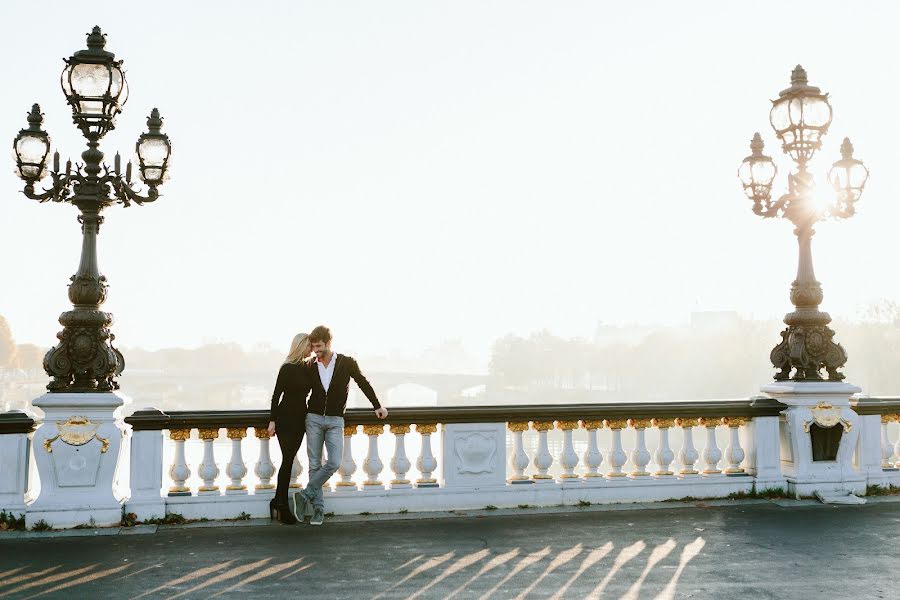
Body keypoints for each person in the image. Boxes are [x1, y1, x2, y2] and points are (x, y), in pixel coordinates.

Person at [293, 325, 388, 525]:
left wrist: (377, 405)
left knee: (335, 462)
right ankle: (318, 509)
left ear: (328, 343)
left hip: (336, 420)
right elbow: (298, 390)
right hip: (314, 418)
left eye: (319, 346)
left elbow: (363, 382)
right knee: (314, 464)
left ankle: (303, 496)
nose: (316, 350)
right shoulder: (310, 365)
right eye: (313, 347)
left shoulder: (346, 363)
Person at [268, 333, 314, 525]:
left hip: (300, 420)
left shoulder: (308, 367)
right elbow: (276, 396)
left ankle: (278, 501)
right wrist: (272, 421)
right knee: (287, 460)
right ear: (301, 346)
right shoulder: (287, 368)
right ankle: (281, 505)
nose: (311, 349)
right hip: (285, 419)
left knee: (288, 460)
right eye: (309, 346)